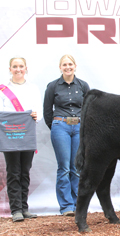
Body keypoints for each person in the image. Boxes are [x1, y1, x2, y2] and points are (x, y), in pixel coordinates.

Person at [0, 57, 42, 222]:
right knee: (13, 172)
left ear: (26, 68)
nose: (18, 69)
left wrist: (35, 115)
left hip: (27, 134)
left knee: (25, 171)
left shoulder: (33, 88)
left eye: (21, 66)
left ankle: (24, 208)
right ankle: (16, 210)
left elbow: (37, 111)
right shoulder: (2, 90)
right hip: (9, 135)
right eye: (15, 66)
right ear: (10, 69)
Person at [43, 55, 90, 216]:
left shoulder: (83, 86)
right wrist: (56, 126)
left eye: (70, 64)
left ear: (75, 66)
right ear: (60, 67)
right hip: (60, 126)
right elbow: (47, 111)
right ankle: (66, 206)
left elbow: (89, 108)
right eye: (64, 64)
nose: (67, 67)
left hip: (78, 127)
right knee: (63, 167)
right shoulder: (53, 86)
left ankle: (79, 205)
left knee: (77, 167)